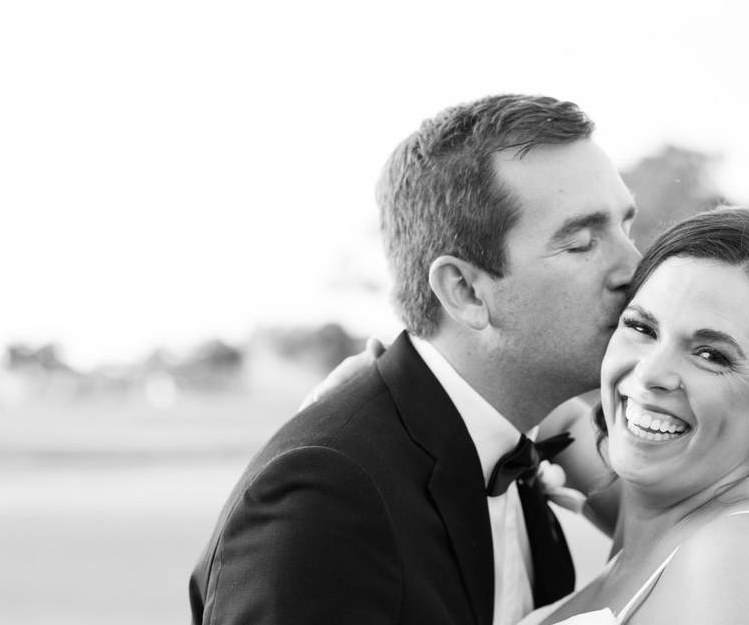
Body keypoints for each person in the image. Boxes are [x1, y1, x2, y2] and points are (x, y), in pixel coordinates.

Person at [188, 94, 640, 624]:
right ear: (465, 291)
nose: (635, 268)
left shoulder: (518, 450)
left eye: (626, 228)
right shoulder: (328, 495)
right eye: (582, 243)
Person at [521, 205, 749, 625]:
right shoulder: (651, 519)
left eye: (710, 355)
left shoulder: (742, 559)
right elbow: (550, 417)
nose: (650, 373)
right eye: (642, 328)